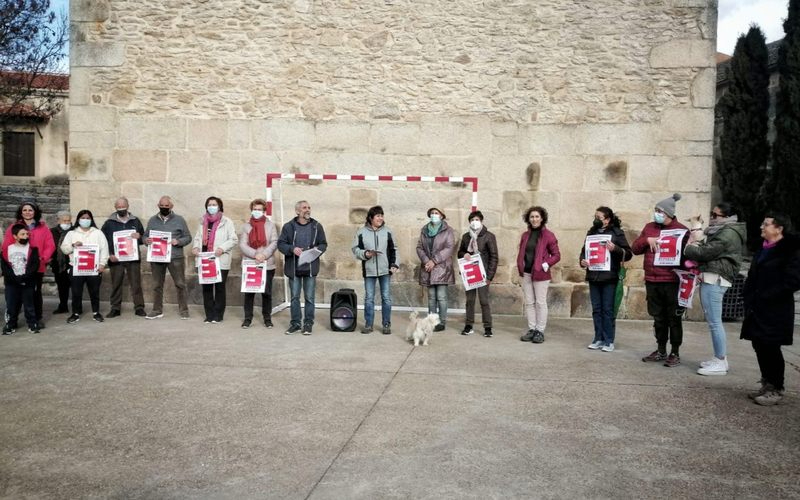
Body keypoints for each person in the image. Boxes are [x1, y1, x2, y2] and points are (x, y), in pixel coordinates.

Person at [740, 213, 800, 406]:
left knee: (771, 346)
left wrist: (768, 295)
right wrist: (749, 296)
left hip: (775, 308)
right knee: (759, 344)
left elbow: (793, 280)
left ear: (779, 228)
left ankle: (776, 387)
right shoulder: (762, 248)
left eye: (766, 224)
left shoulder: (789, 250)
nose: (761, 227)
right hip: (757, 307)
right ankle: (766, 383)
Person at [684, 202, 745, 376]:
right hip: (713, 277)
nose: (711, 217)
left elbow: (703, 253)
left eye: (715, 215)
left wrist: (689, 248)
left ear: (727, 217)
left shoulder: (728, 233)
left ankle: (720, 360)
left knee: (715, 323)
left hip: (715, 278)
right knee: (714, 322)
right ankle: (720, 359)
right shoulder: (724, 230)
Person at [631, 193, 688, 367]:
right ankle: (661, 349)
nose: (656, 214)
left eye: (660, 211)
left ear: (669, 213)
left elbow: (687, 256)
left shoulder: (682, 230)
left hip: (671, 280)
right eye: (656, 210)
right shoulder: (649, 227)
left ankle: (675, 352)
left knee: (674, 318)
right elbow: (635, 248)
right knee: (658, 318)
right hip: (652, 279)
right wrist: (647, 240)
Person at [579, 206, 633, 352]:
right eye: (595, 217)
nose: (596, 220)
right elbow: (584, 251)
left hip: (609, 277)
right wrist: (583, 261)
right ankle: (598, 338)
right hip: (593, 276)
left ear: (607, 219)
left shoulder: (616, 233)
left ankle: (608, 340)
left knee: (607, 310)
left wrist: (615, 249)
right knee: (596, 309)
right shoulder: (591, 232)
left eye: (599, 217)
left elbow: (628, 254)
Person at [2, 201, 55, 327]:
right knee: (15, 294)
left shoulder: (43, 228)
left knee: (35, 293)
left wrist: (43, 258)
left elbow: (50, 245)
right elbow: (6, 246)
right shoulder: (13, 228)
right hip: (17, 266)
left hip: (36, 267)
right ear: (21, 212)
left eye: (30, 210)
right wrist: (8, 263)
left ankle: (36, 318)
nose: (27, 212)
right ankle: (12, 320)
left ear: (35, 212)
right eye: (24, 210)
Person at [277, 200, 327, 335]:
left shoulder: (317, 226)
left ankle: (308, 323)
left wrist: (315, 251)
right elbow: (281, 244)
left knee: (310, 298)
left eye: (309, 207)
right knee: (294, 297)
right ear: (297, 211)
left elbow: (323, 244)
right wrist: (292, 249)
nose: (307, 210)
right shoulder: (288, 227)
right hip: (294, 269)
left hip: (310, 268)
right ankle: (295, 324)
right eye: (304, 208)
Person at [352, 205, 400, 335]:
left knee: (386, 297)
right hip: (369, 270)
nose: (380, 218)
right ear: (370, 218)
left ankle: (386, 324)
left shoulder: (388, 231)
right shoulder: (361, 232)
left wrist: (394, 264)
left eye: (382, 215)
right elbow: (355, 249)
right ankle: (368, 324)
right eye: (378, 215)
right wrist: (365, 254)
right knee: (369, 298)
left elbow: (394, 249)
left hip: (385, 270)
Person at [517, 206, 561, 344]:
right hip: (527, 273)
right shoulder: (525, 235)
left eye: (537, 216)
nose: (534, 219)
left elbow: (556, 255)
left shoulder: (549, 235)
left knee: (540, 303)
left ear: (542, 218)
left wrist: (545, 264)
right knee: (529, 303)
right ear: (528, 219)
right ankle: (532, 329)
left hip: (541, 274)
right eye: (532, 217)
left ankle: (540, 331)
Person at [144, 196, 192, 320]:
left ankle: (184, 310)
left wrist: (178, 241)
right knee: (156, 285)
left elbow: (188, 237)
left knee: (180, 284)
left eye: (166, 206)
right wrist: (146, 240)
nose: (164, 208)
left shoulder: (180, 220)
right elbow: (145, 236)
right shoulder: (152, 220)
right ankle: (156, 310)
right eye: (162, 206)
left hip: (175, 257)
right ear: (158, 205)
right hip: (157, 257)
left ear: (171, 206)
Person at [191, 196, 238, 323]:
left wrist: (222, 248)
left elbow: (233, 239)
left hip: (219, 259)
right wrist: (195, 248)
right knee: (206, 288)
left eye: (214, 204)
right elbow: (197, 238)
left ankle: (218, 314)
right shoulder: (202, 221)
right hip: (205, 259)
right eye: (209, 204)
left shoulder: (227, 222)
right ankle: (209, 314)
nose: (211, 207)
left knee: (219, 287)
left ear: (219, 206)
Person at [100, 197, 147, 318]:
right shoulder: (108, 223)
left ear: (128, 206)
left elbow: (144, 238)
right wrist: (110, 254)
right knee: (116, 283)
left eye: (123, 206)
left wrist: (139, 237)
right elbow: (103, 241)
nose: (121, 209)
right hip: (116, 259)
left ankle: (139, 307)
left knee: (136, 283)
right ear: (115, 207)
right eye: (119, 207)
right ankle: (115, 308)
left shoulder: (135, 221)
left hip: (133, 258)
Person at [61, 210, 109, 324]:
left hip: (94, 268)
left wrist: (102, 264)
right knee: (76, 292)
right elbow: (64, 248)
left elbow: (104, 249)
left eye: (88, 218)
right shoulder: (71, 233)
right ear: (78, 219)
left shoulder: (98, 233)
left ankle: (96, 312)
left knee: (94, 291)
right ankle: (75, 313)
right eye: (83, 218)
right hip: (76, 267)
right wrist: (73, 245)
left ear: (91, 220)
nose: (85, 220)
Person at [457, 210, 498, 338]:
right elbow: (460, 252)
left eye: (477, 220)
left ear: (481, 221)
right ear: (469, 222)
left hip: (483, 273)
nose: (474, 222)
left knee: (484, 300)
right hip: (469, 272)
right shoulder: (466, 237)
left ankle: (488, 327)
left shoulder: (489, 236)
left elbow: (494, 257)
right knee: (470, 300)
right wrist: (465, 254)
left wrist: (490, 276)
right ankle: (468, 325)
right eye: (472, 220)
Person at [239, 199, 278, 329]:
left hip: (267, 263)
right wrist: (255, 254)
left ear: (264, 211)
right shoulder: (246, 226)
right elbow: (242, 244)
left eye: (259, 209)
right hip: (251, 262)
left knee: (266, 293)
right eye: (255, 209)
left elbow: (274, 242)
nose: (257, 211)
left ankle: (267, 318)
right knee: (249, 293)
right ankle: (247, 318)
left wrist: (264, 255)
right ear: (251, 210)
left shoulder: (270, 225)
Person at [416, 207, 455, 332]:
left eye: (436, 213)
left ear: (442, 216)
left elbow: (449, 248)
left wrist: (434, 261)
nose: (434, 215)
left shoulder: (448, 230)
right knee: (431, 297)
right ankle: (431, 321)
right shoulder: (424, 230)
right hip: (428, 268)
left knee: (441, 297)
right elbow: (419, 247)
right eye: (432, 213)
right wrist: (426, 261)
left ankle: (441, 322)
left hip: (442, 269)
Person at [2, 224, 41, 334]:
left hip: (27, 282)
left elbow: (34, 266)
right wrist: (15, 278)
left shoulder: (33, 250)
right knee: (11, 305)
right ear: (15, 236)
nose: (26, 236)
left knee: (29, 304)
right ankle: (10, 324)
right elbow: (5, 267)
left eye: (27, 234)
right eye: (22, 234)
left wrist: (24, 277)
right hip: (11, 283)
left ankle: (32, 323)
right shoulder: (6, 250)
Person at [50, 210, 72, 314]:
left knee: (75, 286)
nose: (67, 223)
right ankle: (63, 306)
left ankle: (77, 307)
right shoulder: (52, 232)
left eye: (69, 221)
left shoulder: (74, 231)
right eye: (64, 221)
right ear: (58, 220)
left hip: (72, 263)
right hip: (58, 264)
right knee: (62, 286)